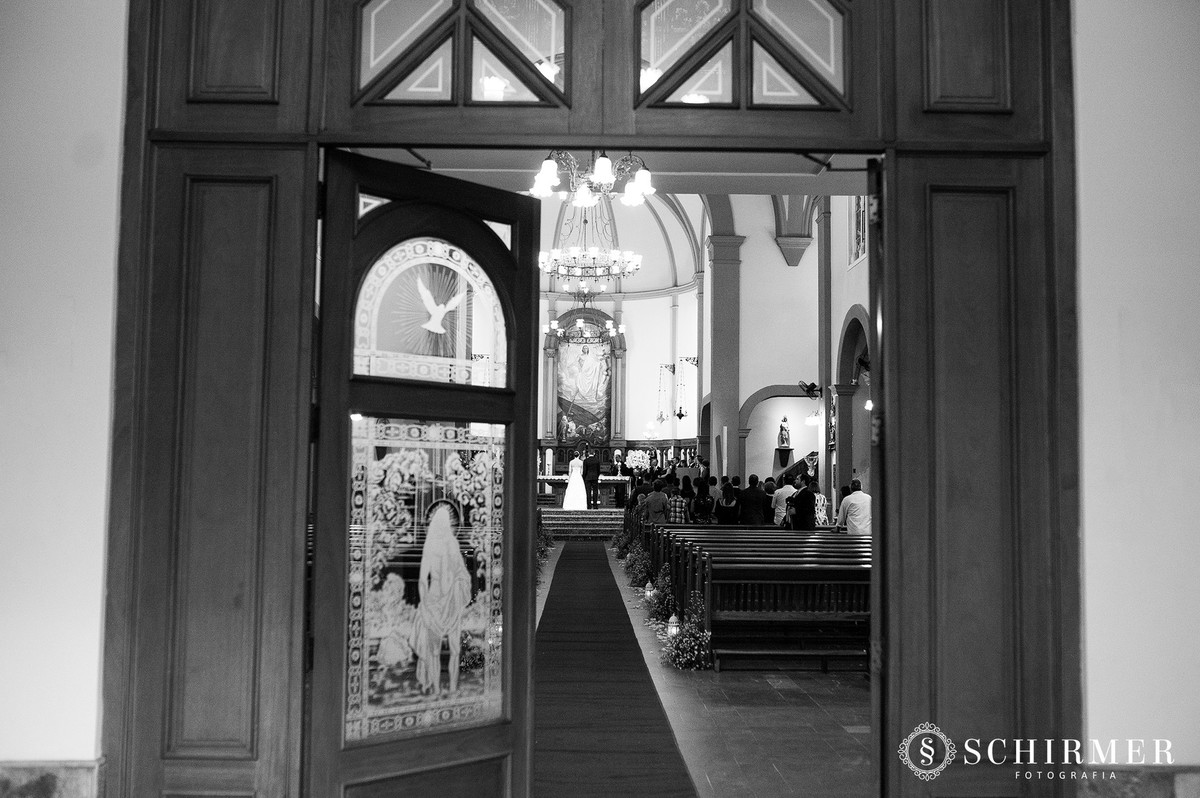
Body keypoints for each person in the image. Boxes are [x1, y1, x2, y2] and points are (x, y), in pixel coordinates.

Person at [413, 504, 471, 695]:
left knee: (448, 650)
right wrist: (424, 605)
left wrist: (424, 602)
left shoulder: (447, 544)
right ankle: (442, 689)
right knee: (441, 650)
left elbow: (461, 572)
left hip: (444, 599)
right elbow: (422, 579)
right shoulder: (443, 544)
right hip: (441, 599)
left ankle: (448, 688)